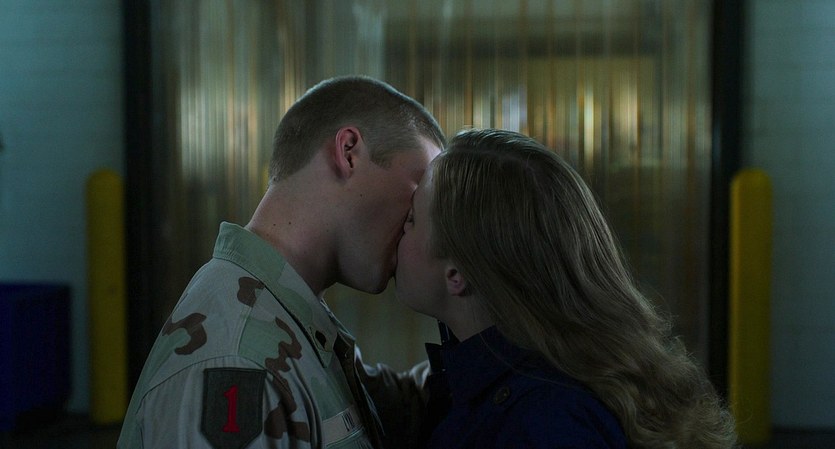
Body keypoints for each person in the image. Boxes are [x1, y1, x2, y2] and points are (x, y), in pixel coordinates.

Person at [118, 76, 445, 449]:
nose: (416, 223)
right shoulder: (237, 360)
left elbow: (402, 407)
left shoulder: (286, 313)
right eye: (416, 197)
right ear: (349, 151)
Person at [395, 129, 738, 448]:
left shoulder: (544, 424)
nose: (399, 231)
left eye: (412, 220)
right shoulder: (545, 378)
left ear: (457, 274)